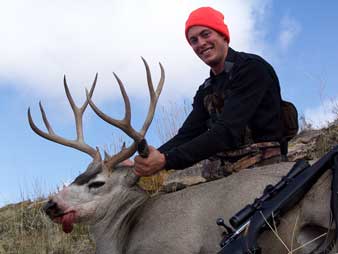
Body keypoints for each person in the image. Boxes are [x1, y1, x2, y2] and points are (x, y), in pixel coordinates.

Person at [134, 6, 284, 177]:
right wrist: (147, 160)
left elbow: (226, 132)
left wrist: (166, 160)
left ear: (223, 35)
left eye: (206, 34)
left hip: (265, 168)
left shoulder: (251, 69)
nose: (201, 43)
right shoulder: (206, 90)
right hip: (227, 172)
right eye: (194, 40)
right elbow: (187, 135)